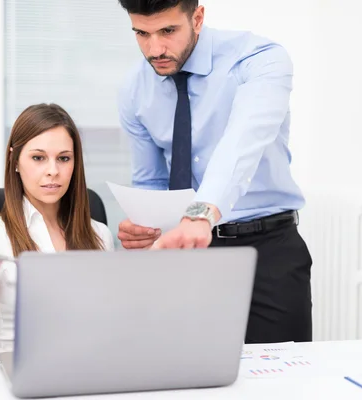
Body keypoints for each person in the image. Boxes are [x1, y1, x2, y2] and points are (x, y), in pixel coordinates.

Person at [116, 0, 312, 343]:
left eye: (168, 31)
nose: (155, 49)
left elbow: (240, 144)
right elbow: (152, 182)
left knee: (280, 383)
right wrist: (146, 225)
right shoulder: (135, 88)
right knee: (185, 377)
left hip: (266, 252)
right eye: (141, 34)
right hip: (187, 256)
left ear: (198, 17)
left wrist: (199, 215)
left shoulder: (260, 60)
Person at [0, 104, 114, 360]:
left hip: (92, 370)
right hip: (24, 373)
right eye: (38, 158)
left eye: (64, 158)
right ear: (15, 161)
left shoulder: (99, 234)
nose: (53, 171)